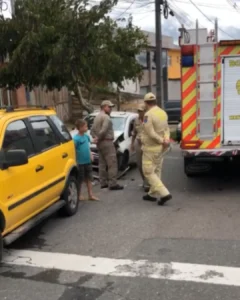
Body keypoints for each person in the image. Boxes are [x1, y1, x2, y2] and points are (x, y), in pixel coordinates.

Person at [141, 92, 172, 206]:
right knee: (157, 170)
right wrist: (166, 140)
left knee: (148, 172)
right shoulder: (162, 113)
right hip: (161, 148)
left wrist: (161, 140)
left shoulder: (148, 115)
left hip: (151, 148)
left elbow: (150, 133)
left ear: (145, 103)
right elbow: (166, 129)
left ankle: (164, 193)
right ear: (155, 101)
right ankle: (152, 194)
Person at [90, 100, 124, 190]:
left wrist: (95, 138)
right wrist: (98, 138)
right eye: (109, 107)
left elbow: (92, 130)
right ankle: (113, 183)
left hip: (100, 143)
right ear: (104, 106)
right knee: (112, 163)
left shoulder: (96, 117)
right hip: (107, 142)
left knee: (102, 163)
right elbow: (104, 130)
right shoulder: (106, 117)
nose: (111, 109)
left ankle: (103, 182)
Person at [73, 119, 99, 201]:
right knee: (80, 179)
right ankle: (79, 195)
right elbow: (74, 151)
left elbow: (89, 145)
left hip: (87, 161)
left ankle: (90, 195)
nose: (86, 128)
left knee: (89, 178)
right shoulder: (76, 139)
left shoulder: (86, 136)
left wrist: (91, 154)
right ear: (80, 128)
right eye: (85, 126)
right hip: (80, 162)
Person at [131, 103, 150, 192]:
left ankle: (147, 183)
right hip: (138, 144)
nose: (139, 113)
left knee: (147, 164)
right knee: (139, 165)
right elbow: (134, 133)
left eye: (141, 111)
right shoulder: (136, 120)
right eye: (138, 111)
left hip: (147, 144)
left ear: (145, 111)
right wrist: (132, 144)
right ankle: (144, 181)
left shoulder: (147, 119)